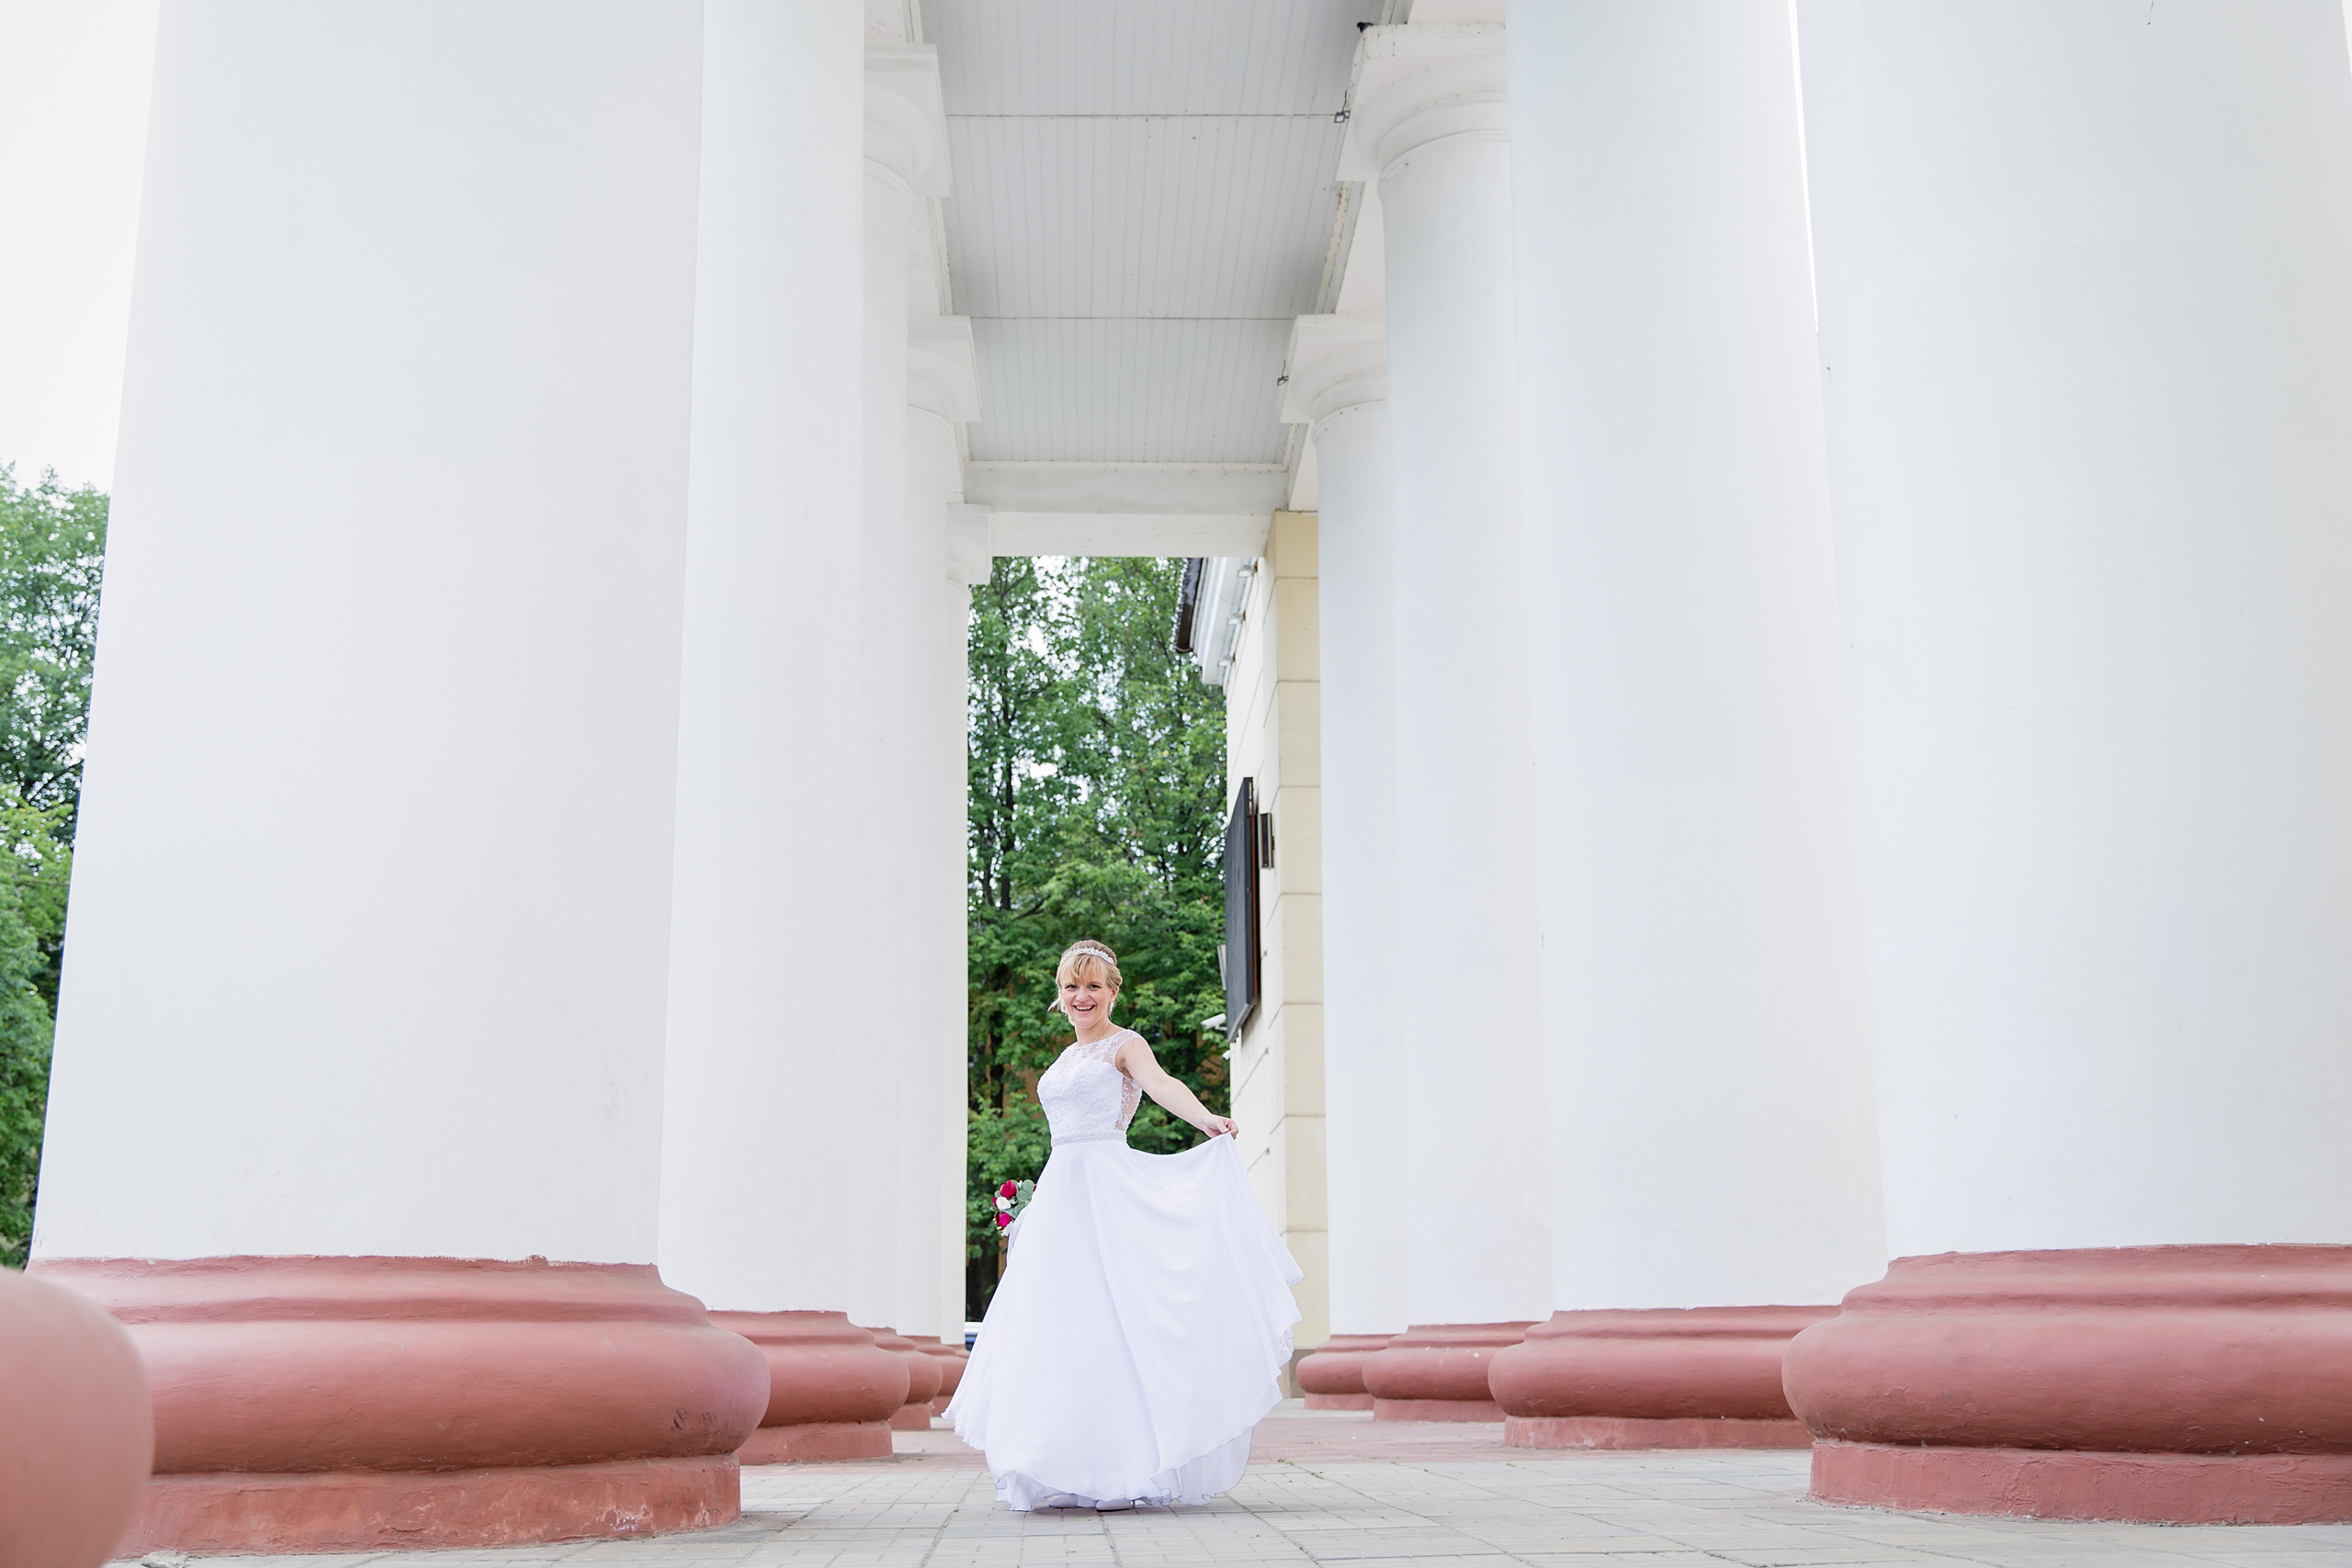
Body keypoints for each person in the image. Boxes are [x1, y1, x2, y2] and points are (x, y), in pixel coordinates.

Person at [946, 939, 1303, 1511]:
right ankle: (1055, 1462)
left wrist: (1206, 1118)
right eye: (1071, 986)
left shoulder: (1125, 1045)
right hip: (1062, 1189)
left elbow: (1162, 1086)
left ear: (1113, 992)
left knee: (1116, 1316)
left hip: (1106, 1185)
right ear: (1059, 996)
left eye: (1093, 986)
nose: (1081, 996)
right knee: (1057, 1322)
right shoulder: (1063, 1059)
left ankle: (1127, 1464)